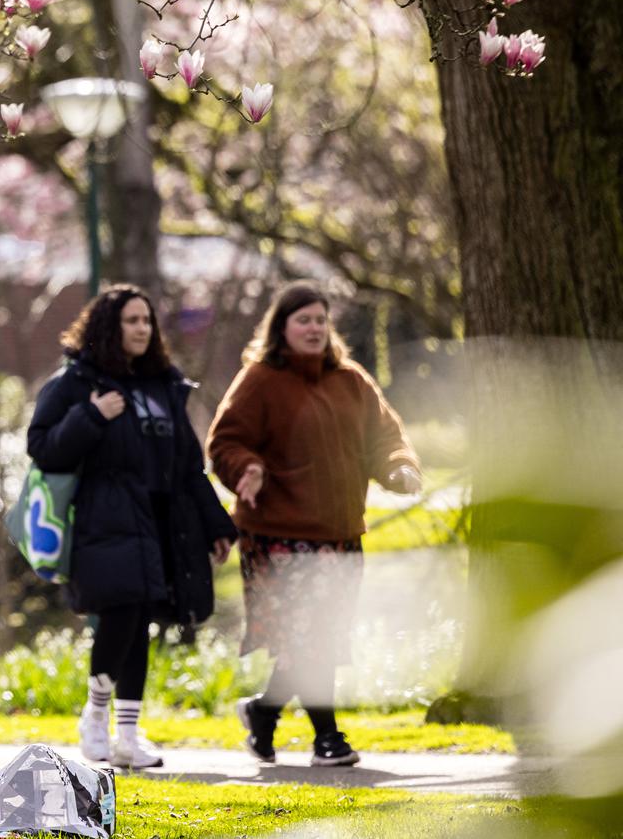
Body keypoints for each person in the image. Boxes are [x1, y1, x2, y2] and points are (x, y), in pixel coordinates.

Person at [208, 281, 420, 768]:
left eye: (321, 320)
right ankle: (328, 737)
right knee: (309, 636)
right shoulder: (260, 379)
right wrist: (248, 470)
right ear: (281, 328)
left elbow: (385, 437)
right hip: (278, 533)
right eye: (303, 320)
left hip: (340, 532)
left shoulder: (350, 380)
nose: (314, 329)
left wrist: (399, 468)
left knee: (319, 635)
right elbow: (225, 442)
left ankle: (263, 714)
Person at [27, 284, 238, 769]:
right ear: (108, 326)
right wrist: (91, 416)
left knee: (140, 621)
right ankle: (95, 716)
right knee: (121, 614)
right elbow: (43, 446)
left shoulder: (164, 385)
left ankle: (127, 735)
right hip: (104, 519)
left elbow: (189, 465)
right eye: (131, 320)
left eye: (147, 321)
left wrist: (215, 525)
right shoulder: (78, 382)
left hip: (161, 523)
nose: (142, 329)